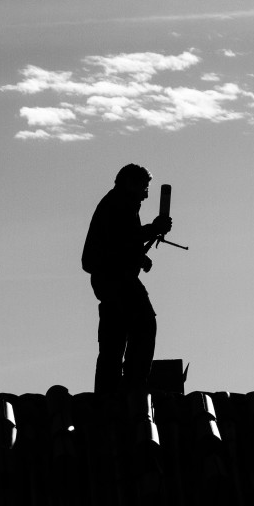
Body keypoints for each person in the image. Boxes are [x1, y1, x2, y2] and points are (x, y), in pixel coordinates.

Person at [82, 164, 172, 394]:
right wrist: (153, 229)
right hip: (115, 280)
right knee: (143, 324)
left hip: (110, 280)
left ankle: (111, 392)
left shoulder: (118, 205)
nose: (146, 194)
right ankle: (132, 387)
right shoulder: (118, 205)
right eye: (143, 187)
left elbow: (119, 244)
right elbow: (124, 240)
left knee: (115, 337)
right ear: (129, 184)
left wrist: (139, 257)